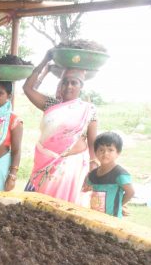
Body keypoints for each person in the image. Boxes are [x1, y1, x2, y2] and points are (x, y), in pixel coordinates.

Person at [23, 50, 98, 205]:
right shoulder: (51, 104)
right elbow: (27, 88)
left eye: (74, 82)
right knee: (38, 208)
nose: (69, 86)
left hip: (72, 168)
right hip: (45, 164)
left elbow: (93, 143)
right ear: (60, 84)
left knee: (64, 211)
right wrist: (44, 60)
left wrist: (93, 167)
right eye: (65, 82)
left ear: (80, 87)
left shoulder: (89, 110)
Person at [83, 132, 134, 218]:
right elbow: (85, 187)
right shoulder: (92, 174)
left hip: (112, 219)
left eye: (110, 150)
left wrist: (119, 205)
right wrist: (87, 188)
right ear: (95, 152)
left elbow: (130, 192)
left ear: (118, 153)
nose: (105, 153)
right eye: (101, 150)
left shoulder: (119, 174)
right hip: (94, 217)